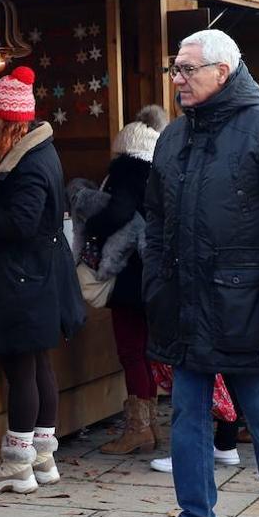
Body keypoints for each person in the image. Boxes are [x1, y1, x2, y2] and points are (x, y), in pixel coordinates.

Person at [143, 29, 259, 517]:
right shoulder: (173, 135)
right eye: (174, 70)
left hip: (245, 304)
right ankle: (194, 515)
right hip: (184, 301)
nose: (177, 80)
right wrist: (155, 281)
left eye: (186, 70)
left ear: (221, 73)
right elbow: (156, 220)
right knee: (187, 414)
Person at [0, 66, 84, 493]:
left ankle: (17, 465)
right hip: (40, 276)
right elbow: (12, 195)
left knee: (21, 371)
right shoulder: (38, 154)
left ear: (11, 124)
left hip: (25, 279)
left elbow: (20, 222)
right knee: (38, 365)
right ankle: (43, 457)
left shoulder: (30, 162)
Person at [80, 106, 163, 454]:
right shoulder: (159, 173)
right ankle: (150, 423)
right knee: (146, 350)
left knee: (131, 349)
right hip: (153, 273)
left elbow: (117, 213)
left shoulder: (125, 172)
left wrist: (90, 224)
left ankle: (138, 429)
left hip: (129, 276)